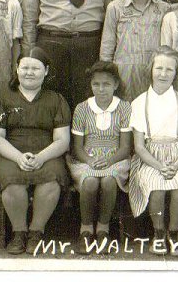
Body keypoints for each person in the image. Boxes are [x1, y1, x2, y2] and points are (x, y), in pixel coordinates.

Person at [0, 47, 71, 255]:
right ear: (17, 69)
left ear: (46, 71)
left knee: (51, 178)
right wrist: (18, 157)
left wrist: (41, 157)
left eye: (35, 68)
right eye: (25, 68)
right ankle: (19, 233)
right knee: (12, 179)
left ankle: (36, 232)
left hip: (47, 153)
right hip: (10, 153)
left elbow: (62, 140)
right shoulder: (2, 97)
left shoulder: (56, 100)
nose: (29, 73)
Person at [128, 46, 178, 256]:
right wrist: (160, 166)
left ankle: (174, 233)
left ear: (176, 73)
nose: (163, 74)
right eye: (159, 68)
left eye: (169, 69)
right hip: (150, 158)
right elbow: (139, 146)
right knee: (156, 187)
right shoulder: (139, 103)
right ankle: (159, 233)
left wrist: (176, 165)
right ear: (151, 70)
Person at [67, 61, 132, 254]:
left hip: (116, 158)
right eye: (96, 84)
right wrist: (89, 160)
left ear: (116, 85)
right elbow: (77, 147)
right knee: (90, 181)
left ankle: (103, 229)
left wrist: (109, 161)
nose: (101, 89)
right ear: (91, 85)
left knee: (109, 180)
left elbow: (125, 147)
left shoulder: (124, 108)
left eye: (106, 84)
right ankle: (86, 229)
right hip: (87, 157)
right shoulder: (82, 108)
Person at [100, 0, 169, 101]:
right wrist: (107, 75)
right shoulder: (116, 8)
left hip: (152, 72)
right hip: (123, 73)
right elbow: (107, 47)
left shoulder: (163, 9)